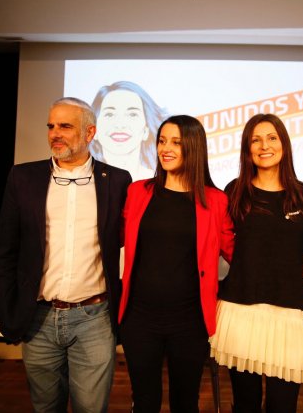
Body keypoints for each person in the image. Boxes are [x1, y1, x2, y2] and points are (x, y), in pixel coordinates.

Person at [0, 97, 132, 412]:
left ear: (89, 132)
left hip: (94, 318)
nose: (55, 133)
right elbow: (5, 253)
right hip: (38, 318)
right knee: (45, 407)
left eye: (65, 126)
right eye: (51, 126)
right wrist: (9, 310)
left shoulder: (118, 181)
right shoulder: (22, 178)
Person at [117, 114, 235, 412]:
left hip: (190, 321)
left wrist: (285, 267)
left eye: (176, 143)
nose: (165, 148)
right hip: (140, 317)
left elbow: (237, 253)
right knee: (144, 400)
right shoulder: (138, 192)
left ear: (193, 148)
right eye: (162, 141)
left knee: (185, 402)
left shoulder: (216, 200)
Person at [209, 113, 303, 413]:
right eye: (255, 140)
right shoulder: (234, 191)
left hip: (288, 314)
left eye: (272, 138)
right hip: (241, 311)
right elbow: (224, 244)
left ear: (284, 143)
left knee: (283, 405)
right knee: (245, 404)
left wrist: (289, 266)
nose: (264, 146)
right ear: (247, 149)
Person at [89, 80, 168, 180]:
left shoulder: (158, 181)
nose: (120, 124)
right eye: (109, 114)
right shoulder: (83, 181)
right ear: (94, 130)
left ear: (146, 131)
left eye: (132, 114)